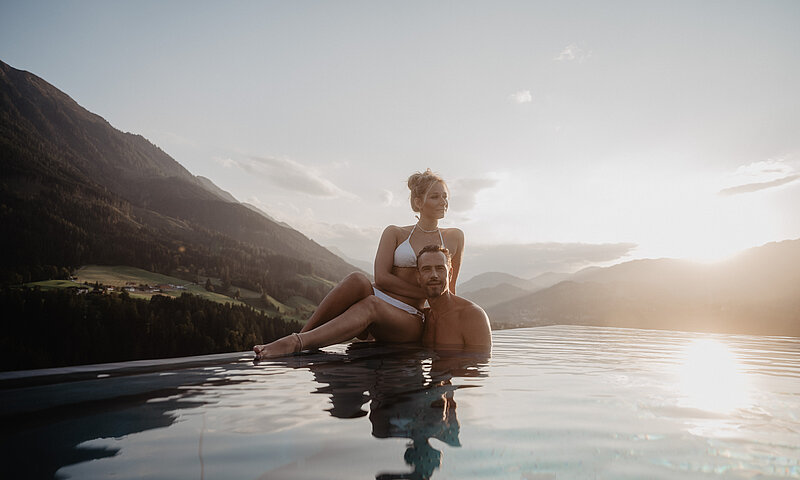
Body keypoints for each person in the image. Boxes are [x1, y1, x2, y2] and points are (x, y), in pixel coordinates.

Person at [253, 169, 465, 359]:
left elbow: (450, 290)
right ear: (418, 203)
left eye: (445, 196)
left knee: (371, 304)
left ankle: (296, 343)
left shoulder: (455, 237)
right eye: (435, 197)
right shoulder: (395, 233)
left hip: (410, 316)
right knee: (356, 279)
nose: (443, 201)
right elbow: (381, 278)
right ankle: (300, 337)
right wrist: (427, 292)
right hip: (380, 296)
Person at [415, 245, 492, 349]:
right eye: (427, 269)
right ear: (418, 276)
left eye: (440, 268)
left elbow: (482, 358)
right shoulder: (424, 319)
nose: (434, 275)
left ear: (450, 274)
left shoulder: (471, 316)